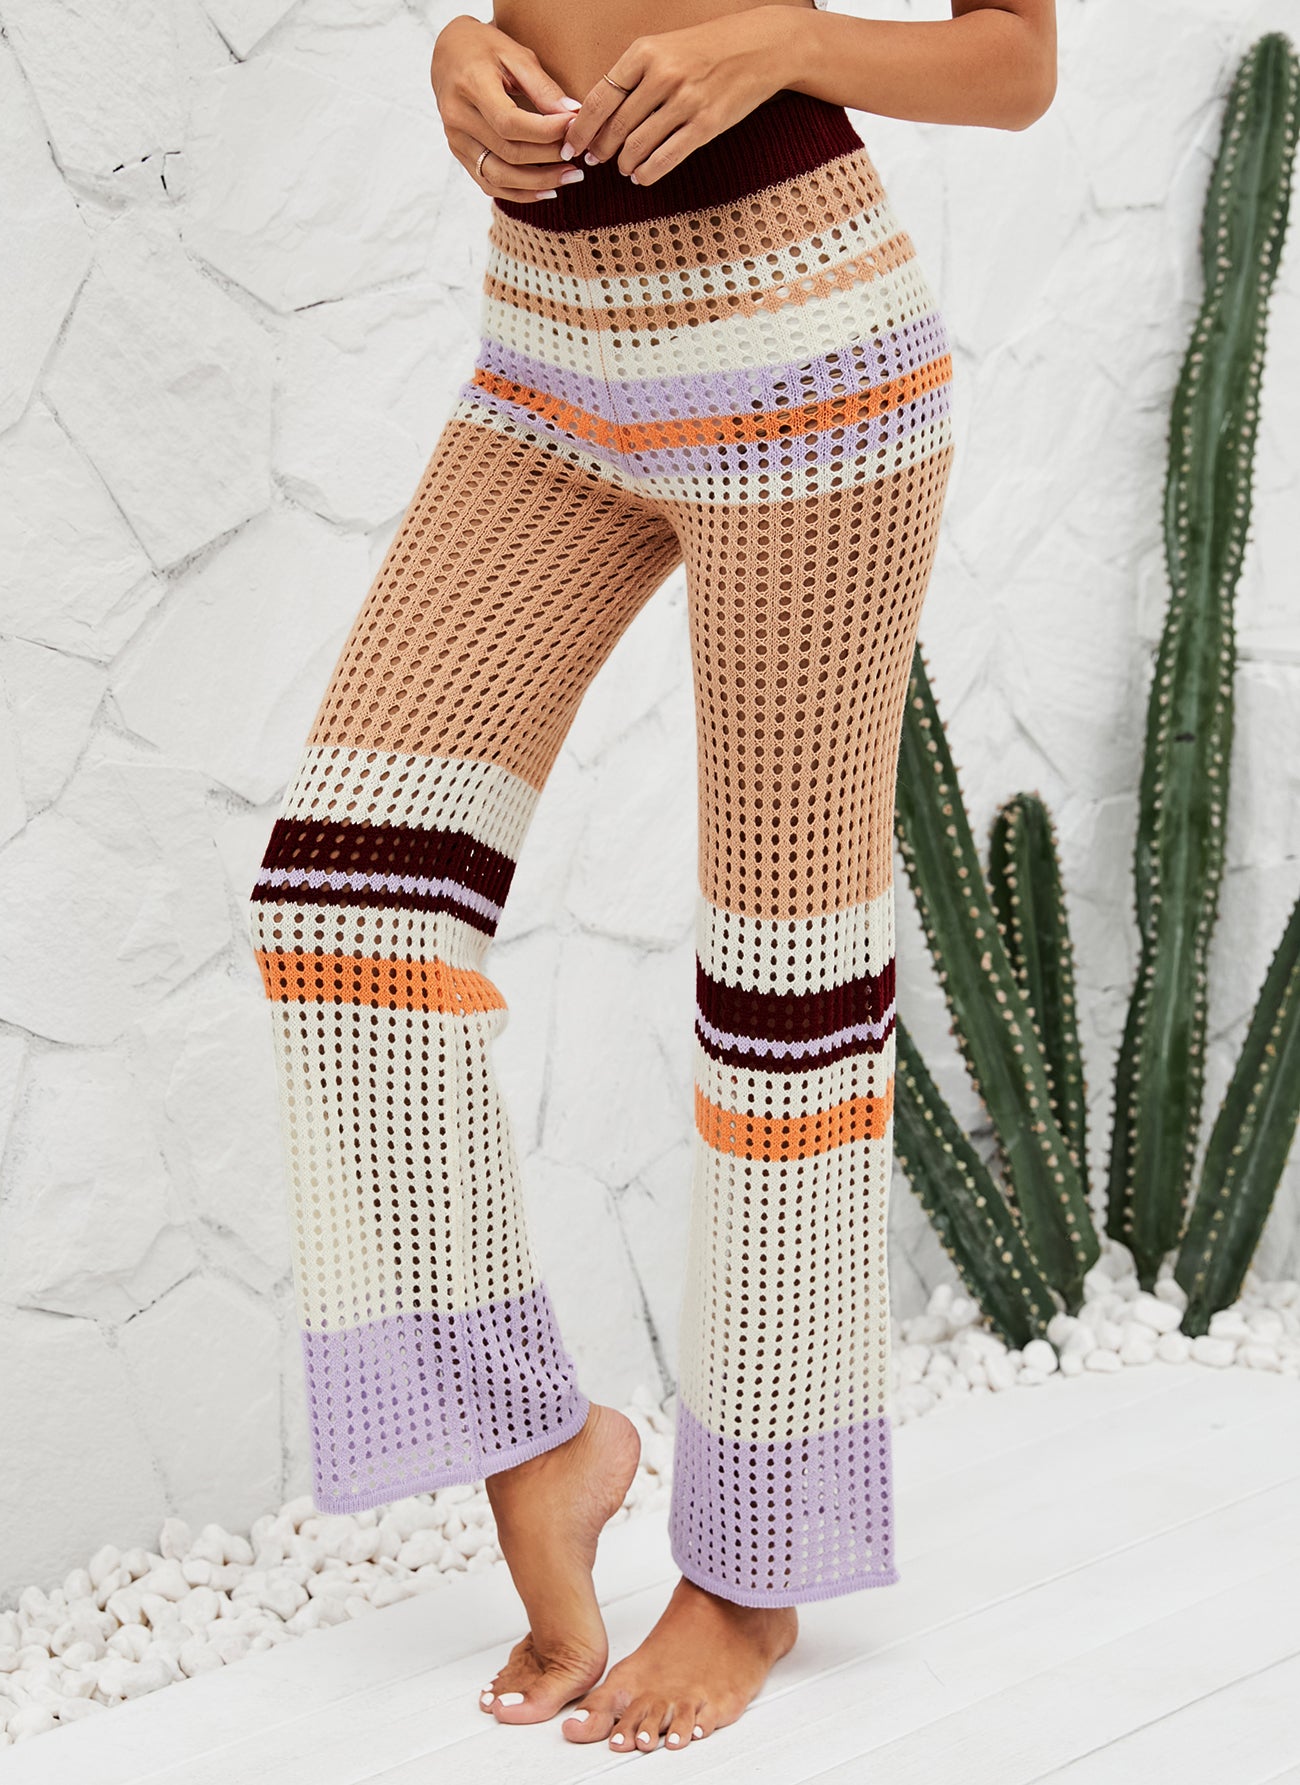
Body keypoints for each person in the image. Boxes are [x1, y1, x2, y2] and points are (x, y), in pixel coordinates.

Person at [246, 0, 1056, 1756]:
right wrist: (455, 50)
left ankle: (756, 1567)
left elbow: (1016, 64)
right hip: (544, 349)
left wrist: (786, 42)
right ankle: (539, 1440)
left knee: (781, 992)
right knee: (340, 903)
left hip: (799, 356)